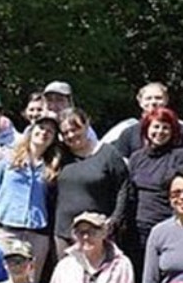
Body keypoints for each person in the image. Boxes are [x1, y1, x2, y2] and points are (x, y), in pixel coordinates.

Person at [124, 107, 183, 273]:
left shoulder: (181, 156)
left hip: (170, 228)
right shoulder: (137, 157)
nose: (160, 131)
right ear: (146, 129)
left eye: (166, 127)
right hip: (138, 231)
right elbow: (129, 193)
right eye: (156, 126)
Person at [0, 115, 57, 276]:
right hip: (6, 230)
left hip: (37, 234)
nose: (44, 133)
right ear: (31, 131)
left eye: (50, 131)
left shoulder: (52, 167)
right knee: (0, 278)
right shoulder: (8, 159)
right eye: (41, 128)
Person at [52, 109, 131, 258]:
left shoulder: (108, 154)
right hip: (64, 233)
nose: (71, 135)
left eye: (75, 129)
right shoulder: (59, 156)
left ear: (87, 125)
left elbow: (124, 188)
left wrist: (114, 221)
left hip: (97, 233)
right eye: (66, 133)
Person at [102, 82, 176, 158]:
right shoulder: (128, 132)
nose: (153, 102)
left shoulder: (180, 129)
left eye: (158, 98)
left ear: (166, 100)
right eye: (148, 98)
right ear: (140, 102)